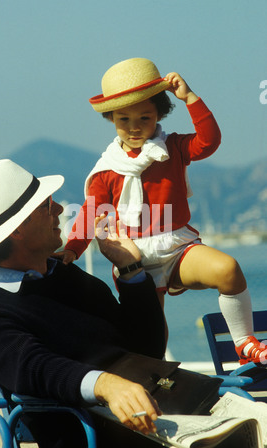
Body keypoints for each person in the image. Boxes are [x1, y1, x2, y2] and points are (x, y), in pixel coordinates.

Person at [62, 57, 267, 365]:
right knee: (152, 333)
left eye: (144, 118)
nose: (134, 127)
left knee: (228, 270)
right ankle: (159, 381)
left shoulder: (173, 146)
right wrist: (73, 250)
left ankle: (244, 344)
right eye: (124, 120)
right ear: (111, 118)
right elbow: (93, 212)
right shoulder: (106, 170)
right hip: (135, 259)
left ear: (160, 111)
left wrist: (190, 98)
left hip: (177, 245)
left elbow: (209, 142)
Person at [0, 158, 170, 448]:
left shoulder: (67, 276)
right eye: (48, 205)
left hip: (149, 426)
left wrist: (130, 271)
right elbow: (36, 367)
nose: (61, 210)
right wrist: (107, 385)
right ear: (17, 230)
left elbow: (147, 350)